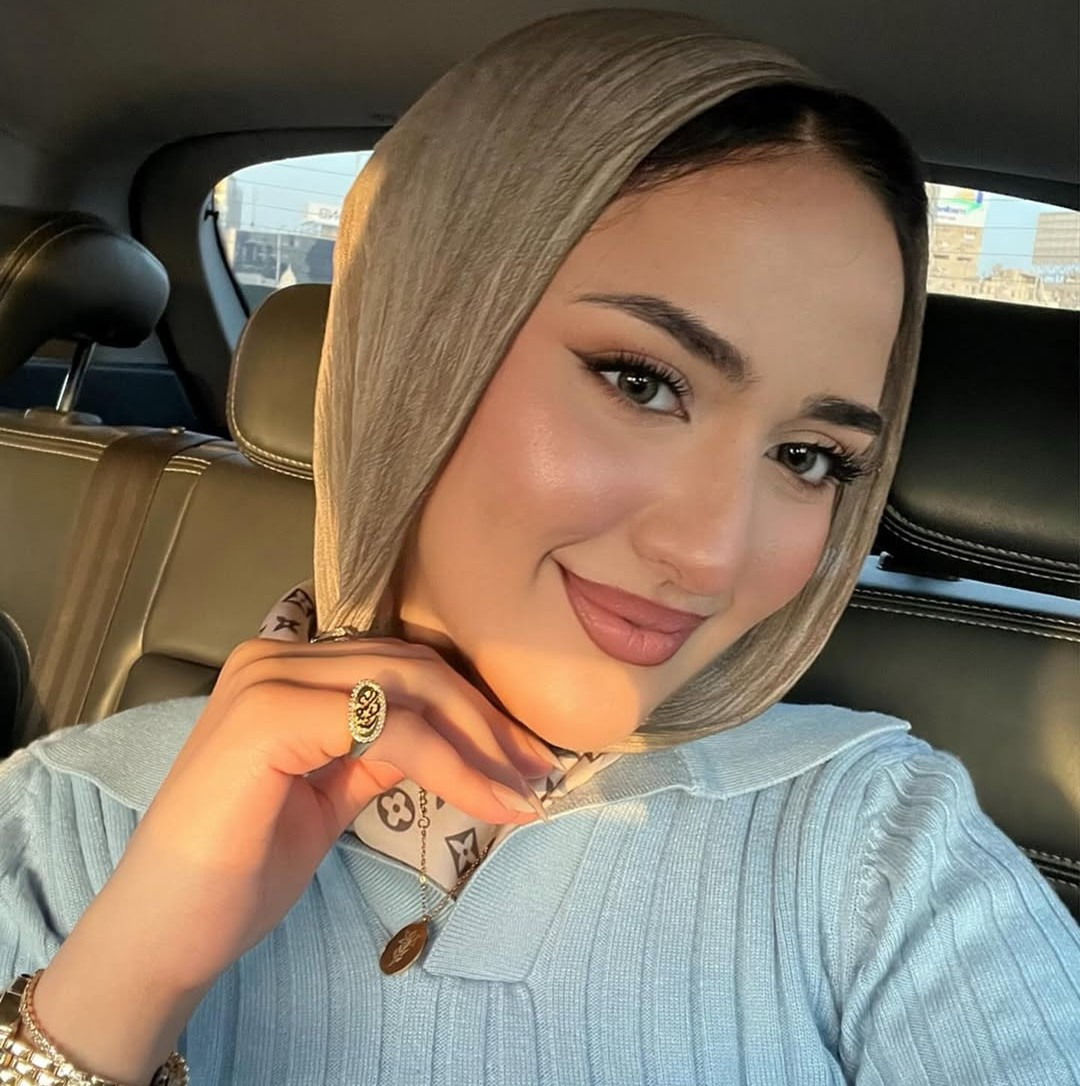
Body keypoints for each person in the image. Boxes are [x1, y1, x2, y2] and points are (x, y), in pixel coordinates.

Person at [1, 8, 1078, 1085]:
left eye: (807, 457)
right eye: (641, 382)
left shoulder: (884, 852)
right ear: (415, 353)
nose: (710, 556)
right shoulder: (64, 820)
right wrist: (119, 984)